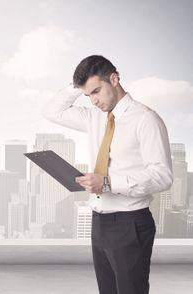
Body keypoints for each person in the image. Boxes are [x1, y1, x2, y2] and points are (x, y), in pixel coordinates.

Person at [42, 55, 173, 294]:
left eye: (96, 91)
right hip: (100, 221)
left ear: (114, 78)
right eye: (87, 95)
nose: (93, 101)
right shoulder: (95, 117)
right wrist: (76, 84)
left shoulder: (145, 119)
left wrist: (108, 182)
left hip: (130, 222)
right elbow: (52, 111)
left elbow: (162, 175)